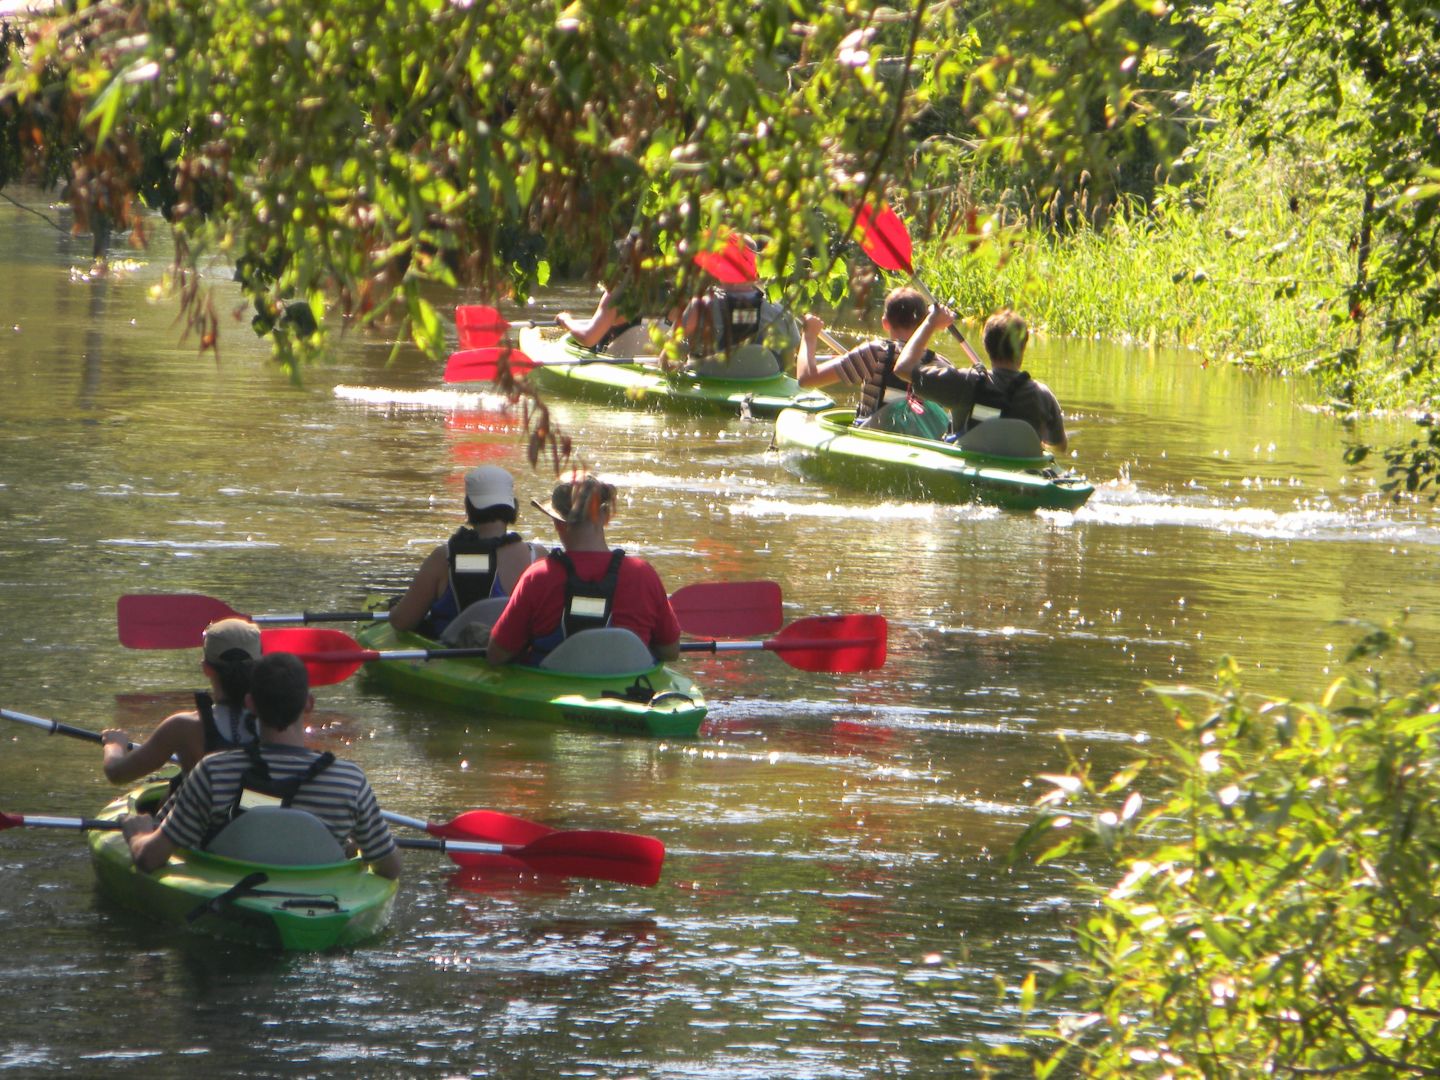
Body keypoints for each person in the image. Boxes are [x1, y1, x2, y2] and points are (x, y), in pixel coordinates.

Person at [121, 652, 402, 880]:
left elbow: (149, 859)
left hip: (230, 895)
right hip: (318, 900)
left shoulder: (213, 771)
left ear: (250, 704)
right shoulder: (350, 781)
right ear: (309, 704)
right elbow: (389, 868)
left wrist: (138, 834)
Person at [483, 474, 682, 666]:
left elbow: (497, 654)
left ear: (558, 523)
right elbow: (670, 651)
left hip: (552, 687)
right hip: (627, 689)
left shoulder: (539, 577)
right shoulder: (643, 575)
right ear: (605, 517)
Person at [388, 466, 548, 639]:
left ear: (468, 506)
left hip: (451, 655)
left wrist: (393, 609)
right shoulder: (538, 558)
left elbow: (401, 622)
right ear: (513, 506)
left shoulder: (444, 558)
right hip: (511, 656)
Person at [100, 617, 262, 785]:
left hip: (200, 809)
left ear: (206, 668)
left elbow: (117, 773)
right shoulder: (281, 724)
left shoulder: (182, 726)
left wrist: (114, 744)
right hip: (259, 807)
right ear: (258, 667)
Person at [893, 304, 1068, 453]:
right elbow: (1060, 446)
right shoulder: (1043, 395)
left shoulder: (964, 383)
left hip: (969, 471)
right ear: (1022, 348)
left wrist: (930, 322)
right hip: (1023, 474)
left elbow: (903, 368)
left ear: (986, 346)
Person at [797, 286, 951, 440]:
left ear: (885, 322)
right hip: (922, 444)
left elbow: (807, 379)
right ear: (925, 323)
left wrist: (809, 336)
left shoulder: (876, 352)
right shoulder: (941, 364)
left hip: (873, 439)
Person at [674, 236, 801, 378]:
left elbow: (669, 360)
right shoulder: (779, 312)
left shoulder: (700, 307)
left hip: (710, 387)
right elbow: (789, 363)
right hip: (760, 390)